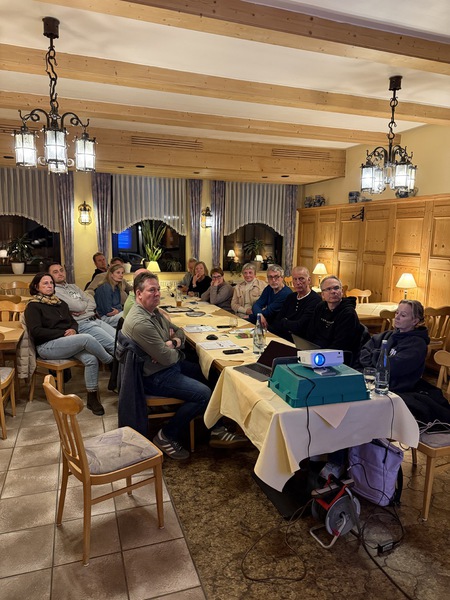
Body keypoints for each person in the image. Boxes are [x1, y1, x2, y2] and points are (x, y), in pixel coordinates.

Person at [122, 272, 247, 460]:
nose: (157, 294)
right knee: (203, 394)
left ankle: (217, 429)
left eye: (158, 289)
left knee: (211, 373)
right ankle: (167, 436)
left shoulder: (152, 311)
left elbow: (179, 331)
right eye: (151, 290)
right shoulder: (140, 322)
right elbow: (167, 358)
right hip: (154, 376)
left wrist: (172, 342)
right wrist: (170, 349)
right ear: (138, 293)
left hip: (164, 366)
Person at [25, 273, 113, 415]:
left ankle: (92, 398)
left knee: (91, 359)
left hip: (65, 343)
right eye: (45, 283)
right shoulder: (33, 306)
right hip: (47, 346)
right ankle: (111, 362)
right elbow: (36, 332)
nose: (49, 286)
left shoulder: (60, 303)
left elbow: (73, 322)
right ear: (36, 286)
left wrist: (73, 329)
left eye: (51, 283)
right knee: (86, 338)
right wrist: (62, 333)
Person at [47, 262, 115, 354]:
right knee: (114, 346)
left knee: (120, 339)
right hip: (82, 324)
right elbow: (77, 307)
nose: (60, 273)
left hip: (95, 319)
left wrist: (84, 309)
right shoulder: (55, 292)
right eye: (55, 272)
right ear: (49, 276)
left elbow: (92, 302)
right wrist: (83, 304)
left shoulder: (73, 286)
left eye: (61, 270)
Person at [306, 275, 363, 365]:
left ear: (342, 291)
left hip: (338, 358)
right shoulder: (320, 307)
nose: (333, 292)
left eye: (336, 288)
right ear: (322, 294)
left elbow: (340, 345)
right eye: (328, 289)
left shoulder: (348, 313)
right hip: (316, 352)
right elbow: (311, 332)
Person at [268, 266, 321, 341]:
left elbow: (300, 326)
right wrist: (287, 323)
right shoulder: (291, 297)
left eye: (301, 279)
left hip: (300, 340)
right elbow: (278, 320)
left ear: (309, 280)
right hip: (283, 336)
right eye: (295, 279)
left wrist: (284, 321)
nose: (298, 283)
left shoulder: (315, 300)